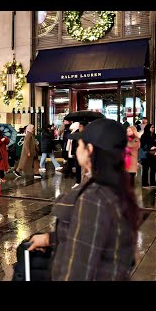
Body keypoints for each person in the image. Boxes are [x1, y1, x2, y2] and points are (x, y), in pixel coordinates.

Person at [28, 118, 140, 280]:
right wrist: (49, 239)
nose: (77, 149)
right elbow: (94, 238)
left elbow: (78, 270)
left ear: (90, 150)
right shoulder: (115, 187)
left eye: (79, 145)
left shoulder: (93, 198)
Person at [140, 123, 156, 188]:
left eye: (153, 127)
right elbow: (143, 145)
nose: (153, 129)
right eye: (152, 127)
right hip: (146, 155)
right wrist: (150, 147)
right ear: (148, 128)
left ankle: (152, 182)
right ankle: (145, 183)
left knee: (153, 168)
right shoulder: (144, 136)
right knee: (145, 169)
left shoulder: (152, 136)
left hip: (151, 155)